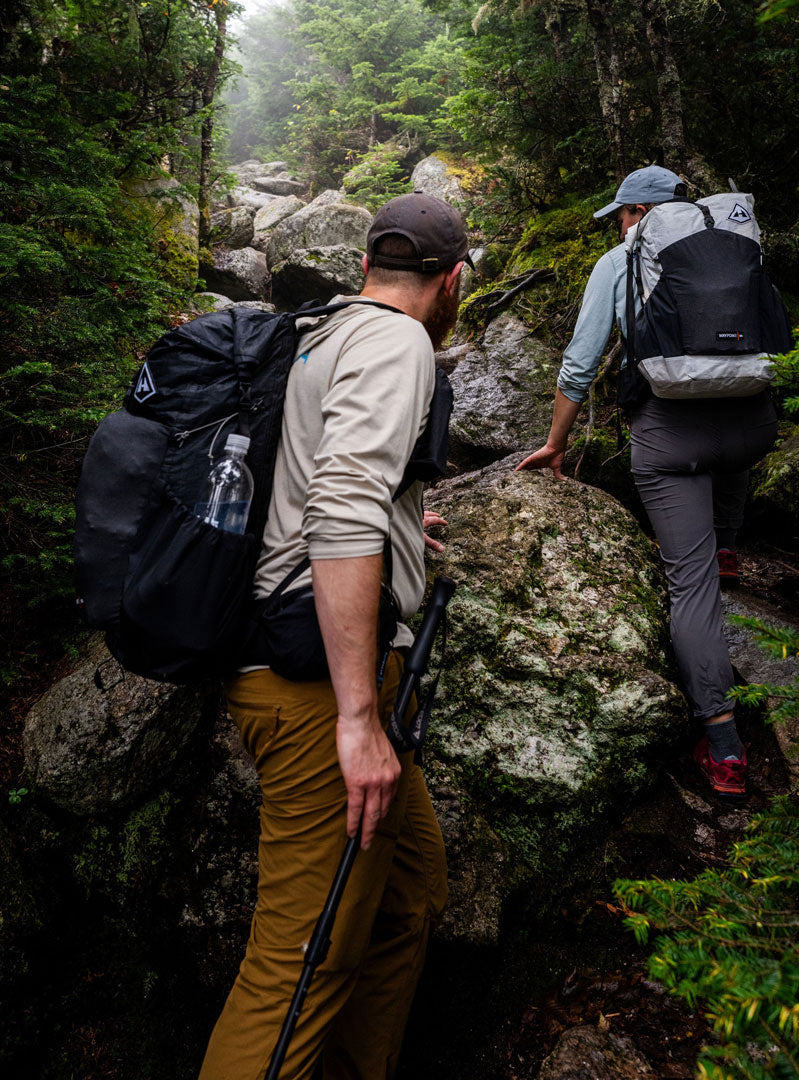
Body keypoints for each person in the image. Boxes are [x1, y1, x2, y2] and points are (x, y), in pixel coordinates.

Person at [198, 192, 469, 1080]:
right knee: (297, 967)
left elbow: (321, 476)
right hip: (318, 690)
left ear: (365, 267)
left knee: (408, 897)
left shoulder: (320, 330)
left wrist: (397, 523)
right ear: (453, 281)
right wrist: (359, 717)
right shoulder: (399, 342)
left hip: (283, 657)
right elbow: (342, 504)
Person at [518, 165, 778, 800]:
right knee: (731, 426)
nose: (623, 225)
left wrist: (556, 443)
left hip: (671, 438)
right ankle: (729, 543)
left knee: (690, 589)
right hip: (753, 427)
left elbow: (580, 364)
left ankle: (723, 745)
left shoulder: (621, 260)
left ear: (636, 213)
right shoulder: (736, 240)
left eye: (623, 214)